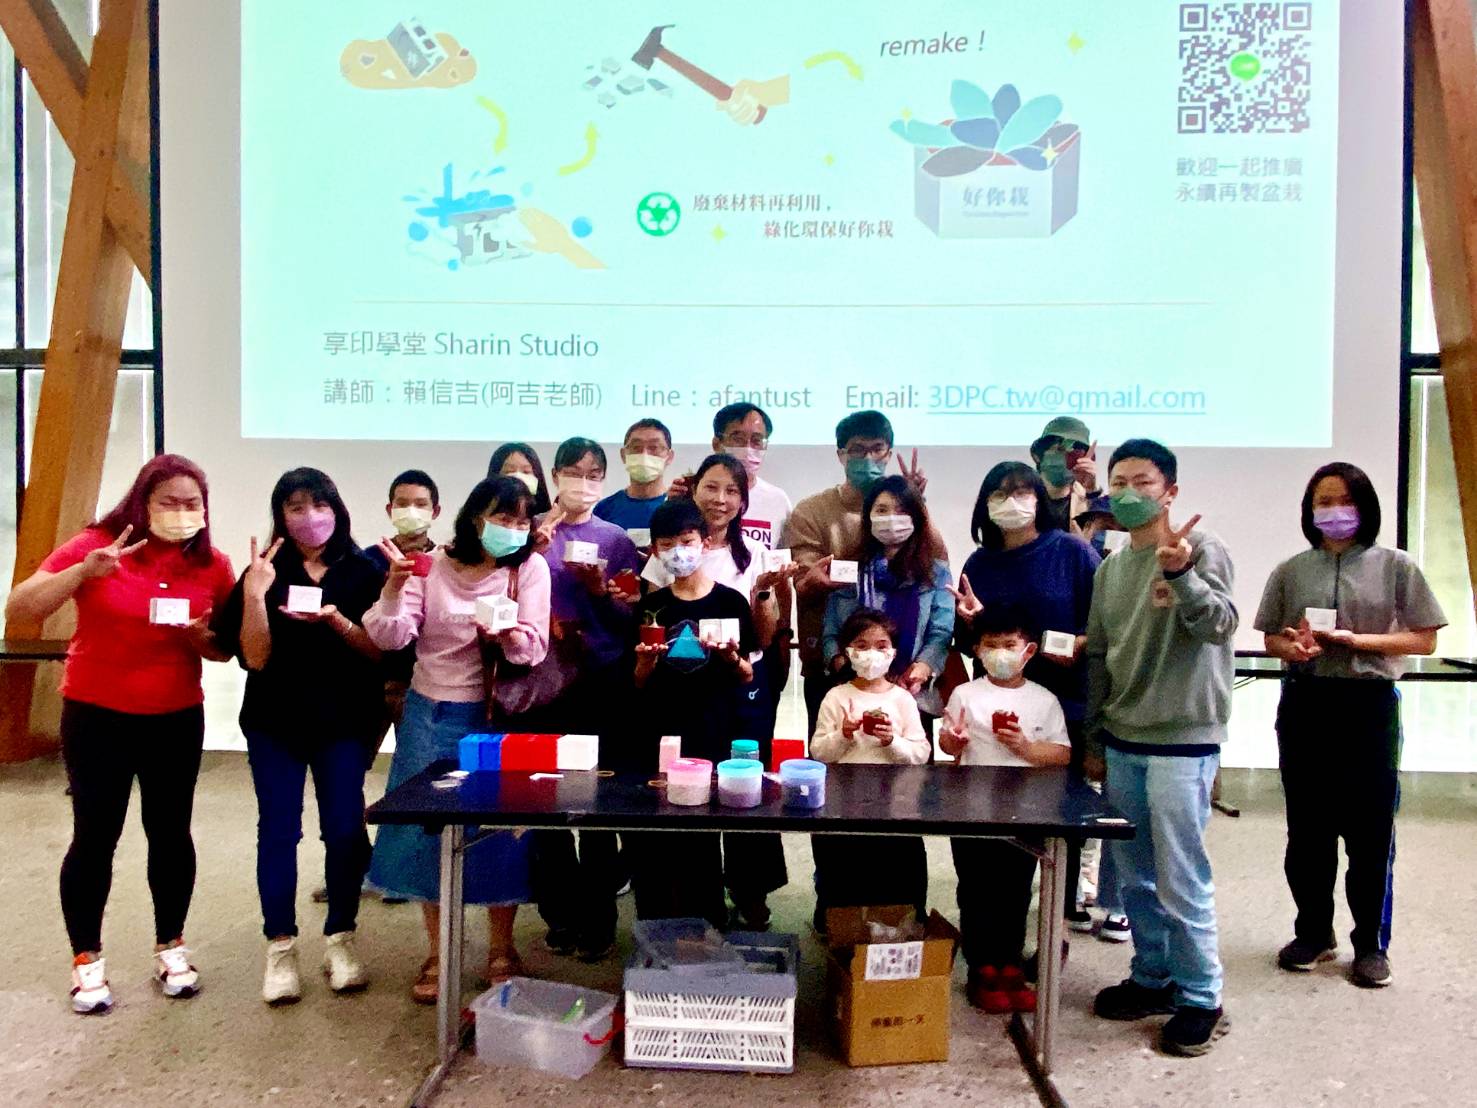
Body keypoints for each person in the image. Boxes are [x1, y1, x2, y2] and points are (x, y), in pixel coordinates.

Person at [6, 454, 235, 1014]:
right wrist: (83, 573)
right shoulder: (98, 544)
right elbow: (21, 607)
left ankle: (171, 946)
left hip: (175, 717)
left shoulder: (212, 564)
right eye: (169, 502)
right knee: (94, 836)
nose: (182, 512)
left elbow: (223, 650)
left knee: (170, 834)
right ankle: (86, 959)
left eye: (192, 504)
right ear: (142, 502)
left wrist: (198, 638)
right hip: (96, 715)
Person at [1254, 462, 1445, 989]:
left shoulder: (1396, 565)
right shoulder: (1291, 569)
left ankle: (1370, 945)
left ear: (1365, 507)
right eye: (1323, 501)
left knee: (1370, 832)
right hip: (1306, 702)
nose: (1333, 511)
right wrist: (1292, 647)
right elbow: (1271, 637)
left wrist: (1360, 642)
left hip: (1367, 705)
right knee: (1307, 829)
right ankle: (1314, 932)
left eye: (1344, 500)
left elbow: (1425, 637)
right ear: (1309, 510)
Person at [362, 476, 551, 1002]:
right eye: (503, 517)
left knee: (500, 832)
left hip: (496, 716)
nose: (514, 529)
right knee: (429, 835)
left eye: (523, 520)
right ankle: (439, 951)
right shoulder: (431, 564)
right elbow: (390, 636)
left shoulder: (529, 568)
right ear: (474, 517)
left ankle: (501, 948)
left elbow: (533, 649)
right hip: (430, 712)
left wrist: (507, 635)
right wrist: (394, 587)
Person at [1085, 438, 1235, 1057]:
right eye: (1118, 482)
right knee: (1134, 876)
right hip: (1123, 738)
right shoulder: (1111, 568)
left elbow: (1220, 626)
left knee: (1181, 876)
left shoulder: (1202, 549)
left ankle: (1201, 997)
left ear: (1170, 491)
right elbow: (1099, 655)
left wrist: (1181, 575)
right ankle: (1153, 977)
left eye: (1141, 481)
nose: (1127, 493)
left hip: (1182, 741)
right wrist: (1094, 737)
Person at [212, 467, 384, 1004]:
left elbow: (380, 652)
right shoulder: (264, 571)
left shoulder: (363, 570)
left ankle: (341, 939)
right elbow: (255, 658)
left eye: (320, 505)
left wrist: (336, 621)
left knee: (344, 830)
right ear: (280, 515)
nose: (310, 517)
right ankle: (280, 947)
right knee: (279, 831)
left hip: (343, 723)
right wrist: (255, 596)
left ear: (337, 509)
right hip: (275, 724)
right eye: (296, 507)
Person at [953, 462, 1102, 931]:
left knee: (1057, 825)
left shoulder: (1072, 552)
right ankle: (996, 933)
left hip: (1063, 704)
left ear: (1040, 499)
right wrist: (970, 622)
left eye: (1021, 493)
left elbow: (1105, 628)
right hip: (996, 711)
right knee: (996, 830)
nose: (1011, 503)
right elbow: (970, 643)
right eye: (999, 494)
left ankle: (1056, 930)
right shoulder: (979, 563)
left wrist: (1079, 645)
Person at [660, 454, 798, 927]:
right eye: (711, 487)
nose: (720, 500)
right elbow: (652, 612)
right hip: (685, 687)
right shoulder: (674, 549)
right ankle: (700, 899)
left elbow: (765, 636)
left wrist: (763, 594)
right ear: (694, 489)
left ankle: (751, 891)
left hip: (745, 683)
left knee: (747, 785)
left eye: (732, 491)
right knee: (694, 786)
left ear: (743, 501)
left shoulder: (757, 555)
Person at [523, 437, 642, 962]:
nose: (584, 482)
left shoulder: (615, 539)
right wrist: (532, 548)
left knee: (594, 806)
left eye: (594, 474)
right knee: (544, 802)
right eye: (574, 472)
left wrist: (598, 593)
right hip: (540, 683)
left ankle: (597, 919)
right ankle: (559, 914)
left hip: (600, 681)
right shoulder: (530, 531)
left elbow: (629, 618)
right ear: (554, 476)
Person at [629, 499, 758, 927]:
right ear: (654, 551)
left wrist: (731, 658)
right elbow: (637, 683)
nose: (678, 552)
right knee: (656, 829)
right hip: (660, 731)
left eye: (686, 541)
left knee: (704, 830)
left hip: (712, 728)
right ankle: (654, 925)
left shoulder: (731, 602)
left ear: (704, 542)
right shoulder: (651, 607)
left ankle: (707, 924)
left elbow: (747, 674)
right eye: (667, 545)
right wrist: (645, 663)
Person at [940, 605, 1072, 1013]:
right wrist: (954, 741)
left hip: (1026, 809)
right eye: (991, 645)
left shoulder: (1044, 699)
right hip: (971, 807)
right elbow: (947, 743)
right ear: (978, 650)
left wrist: (1025, 748)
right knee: (976, 887)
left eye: (1009, 645)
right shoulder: (965, 694)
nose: (1000, 653)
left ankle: (1009, 963)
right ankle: (982, 966)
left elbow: (1062, 753)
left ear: (1028, 650)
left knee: (1016, 888)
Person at [785, 410, 930, 733]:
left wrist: (916, 503)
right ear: (841, 455)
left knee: (903, 753)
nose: (868, 458)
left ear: (888, 454)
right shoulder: (812, 511)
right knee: (832, 750)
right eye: (857, 450)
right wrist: (813, 582)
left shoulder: (908, 512)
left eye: (877, 449)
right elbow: (803, 582)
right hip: (835, 663)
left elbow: (931, 568)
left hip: (903, 669)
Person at [810, 608, 931, 922]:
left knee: (897, 867)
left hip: (895, 803)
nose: (871, 654)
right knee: (844, 869)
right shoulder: (836, 697)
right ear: (848, 652)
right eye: (861, 646)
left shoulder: (902, 699)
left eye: (881, 645)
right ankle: (840, 924)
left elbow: (921, 753)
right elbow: (819, 752)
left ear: (893, 652)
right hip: (844, 803)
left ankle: (899, 923)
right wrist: (844, 734)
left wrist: (893, 741)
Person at [821, 475, 953, 728]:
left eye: (901, 511)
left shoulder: (935, 572)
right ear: (868, 515)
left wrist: (921, 668)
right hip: (854, 692)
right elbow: (831, 632)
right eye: (882, 510)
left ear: (916, 518)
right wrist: (843, 666)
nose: (891, 518)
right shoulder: (848, 569)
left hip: (912, 696)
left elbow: (941, 632)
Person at [594, 418, 675, 541]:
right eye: (636, 447)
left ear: (669, 456)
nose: (644, 454)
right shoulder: (604, 509)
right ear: (623, 455)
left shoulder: (676, 507)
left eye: (654, 447)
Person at [1029, 416, 1100, 535]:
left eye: (1074, 453)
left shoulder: (1089, 501)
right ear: (1038, 456)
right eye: (1059, 449)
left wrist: (1091, 493)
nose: (1066, 457)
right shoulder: (1020, 496)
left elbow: (1101, 541)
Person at [488, 441, 552, 516]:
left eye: (526, 472)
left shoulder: (547, 519)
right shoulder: (484, 518)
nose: (518, 478)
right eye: (509, 471)